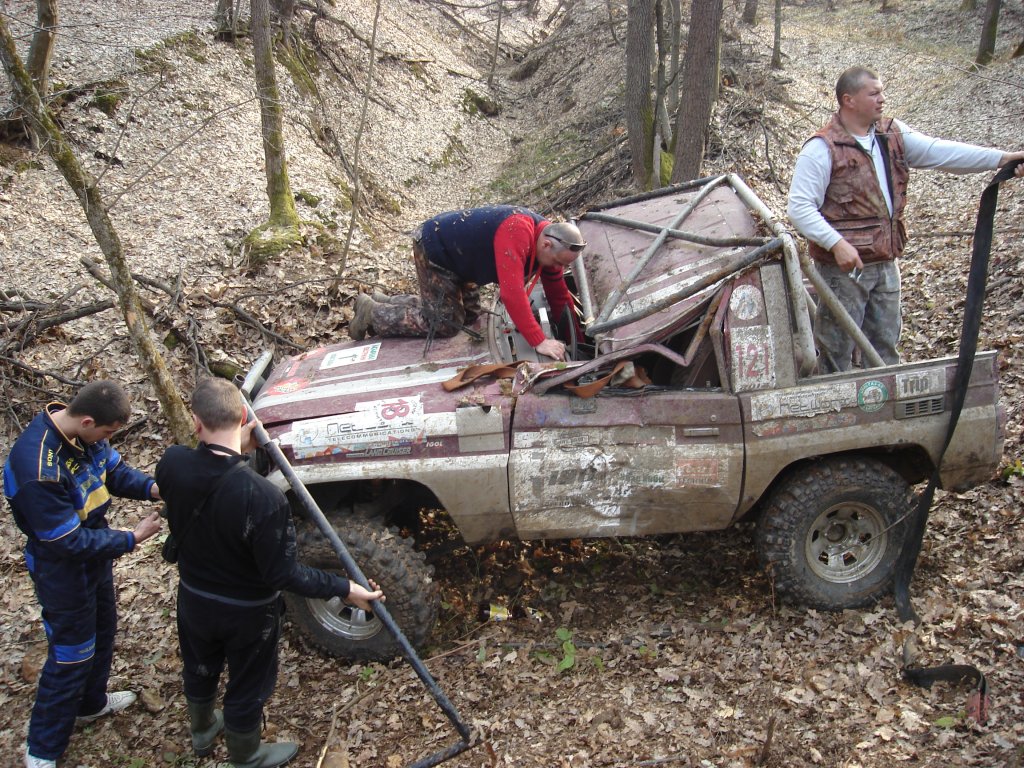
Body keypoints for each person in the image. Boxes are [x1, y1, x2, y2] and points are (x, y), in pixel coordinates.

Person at [155, 377, 384, 768]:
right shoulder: (264, 498)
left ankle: (202, 729)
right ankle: (246, 756)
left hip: (194, 599)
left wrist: (236, 450)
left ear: (196, 423)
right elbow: (283, 575)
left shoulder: (171, 464)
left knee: (199, 665)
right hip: (246, 613)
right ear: (245, 419)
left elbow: (206, 476)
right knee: (247, 683)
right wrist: (343, 587)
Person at [787, 65, 1024, 373]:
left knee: (885, 351)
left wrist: (1001, 159)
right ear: (849, 100)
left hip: (886, 264)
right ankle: (835, 405)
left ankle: (885, 403)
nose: (882, 99)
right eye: (874, 93)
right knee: (836, 353)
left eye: (882, 92)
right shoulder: (821, 148)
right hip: (842, 273)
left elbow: (941, 152)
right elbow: (799, 207)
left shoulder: (892, 135)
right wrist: (836, 244)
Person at [3, 381, 163, 768]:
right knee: (72, 654)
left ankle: (90, 704)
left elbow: (115, 473)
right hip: (61, 567)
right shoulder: (37, 467)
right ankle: (41, 750)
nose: (108, 440)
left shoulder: (85, 436)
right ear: (88, 421)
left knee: (104, 629)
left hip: (94, 556)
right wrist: (131, 538)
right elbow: (67, 542)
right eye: (107, 433)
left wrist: (154, 488)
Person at [348, 205, 586, 361]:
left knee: (470, 317)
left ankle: (387, 302)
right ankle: (372, 313)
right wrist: (540, 341)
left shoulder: (549, 242)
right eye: (558, 262)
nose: (557, 268)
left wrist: (579, 342)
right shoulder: (518, 231)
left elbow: (559, 296)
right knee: (446, 324)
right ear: (546, 245)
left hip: (464, 262)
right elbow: (512, 294)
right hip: (437, 250)